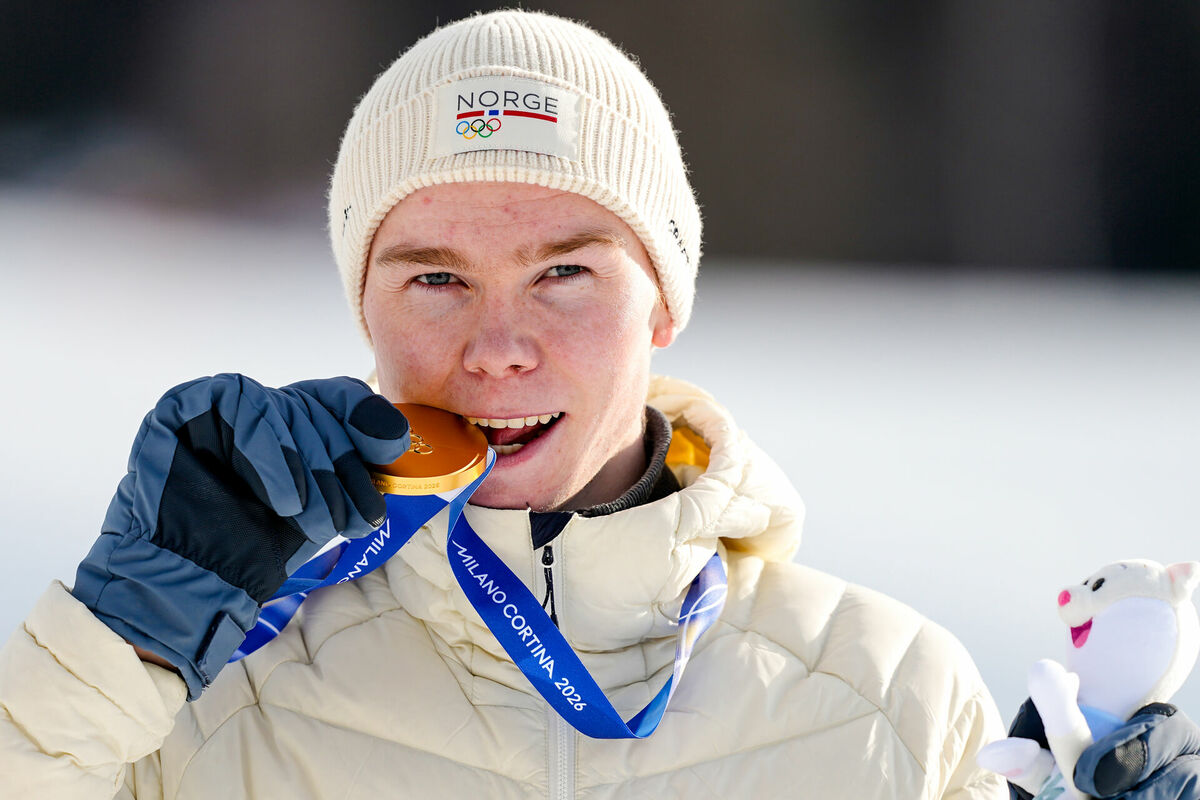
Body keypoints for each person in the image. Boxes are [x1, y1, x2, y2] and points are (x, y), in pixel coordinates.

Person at [6, 10, 1187, 799]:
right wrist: (125, 628)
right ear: (364, 308)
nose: (498, 347)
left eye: (564, 272)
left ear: (664, 300)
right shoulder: (218, 695)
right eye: (435, 279)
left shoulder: (885, 695)